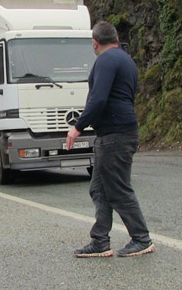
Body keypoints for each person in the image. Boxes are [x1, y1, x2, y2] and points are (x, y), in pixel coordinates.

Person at [66, 21, 155, 258]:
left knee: (117, 189)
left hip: (116, 134)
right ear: (115, 37)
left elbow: (99, 99)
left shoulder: (105, 61)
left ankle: (141, 238)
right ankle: (100, 241)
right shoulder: (126, 59)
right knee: (99, 189)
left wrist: (77, 127)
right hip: (117, 132)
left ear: (95, 43)